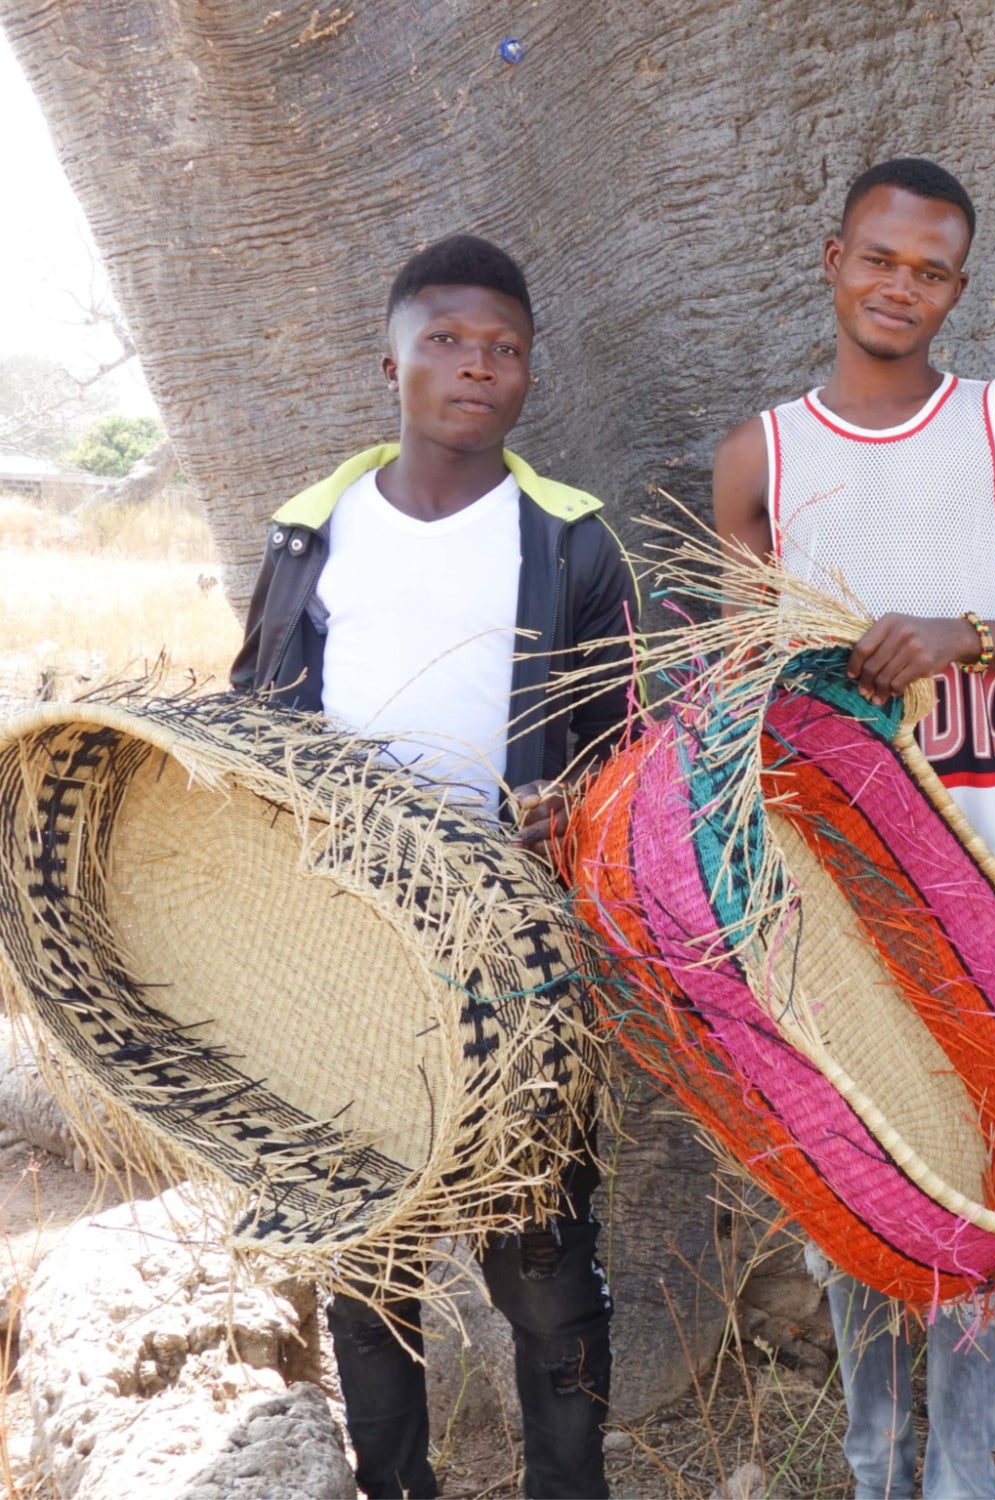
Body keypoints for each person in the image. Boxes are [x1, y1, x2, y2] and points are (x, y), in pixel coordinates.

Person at [710, 158, 995, 1500]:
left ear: (958, 288)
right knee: (859, 1176)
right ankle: (874, 1464)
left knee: (987, 1166)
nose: (901, 287)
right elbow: (741, 690)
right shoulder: (761, 457)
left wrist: (962, 637)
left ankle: (962, 1473)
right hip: (830, 880)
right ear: (833, 260)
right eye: (879, 259)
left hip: (987, 864)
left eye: (930, 271)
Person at [230, 233, 636, 1500]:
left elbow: (624, 755)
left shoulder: (567, 542)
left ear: (529, 374)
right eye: (447, 340)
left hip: (516, 955)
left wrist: (567, 820)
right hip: (345, 947)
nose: (476, 366)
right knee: (368, 1260)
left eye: (503, 348)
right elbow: (255, 720)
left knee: (546, 1271)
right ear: (390, 362)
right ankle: (395, 1484)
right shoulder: (311, 535)